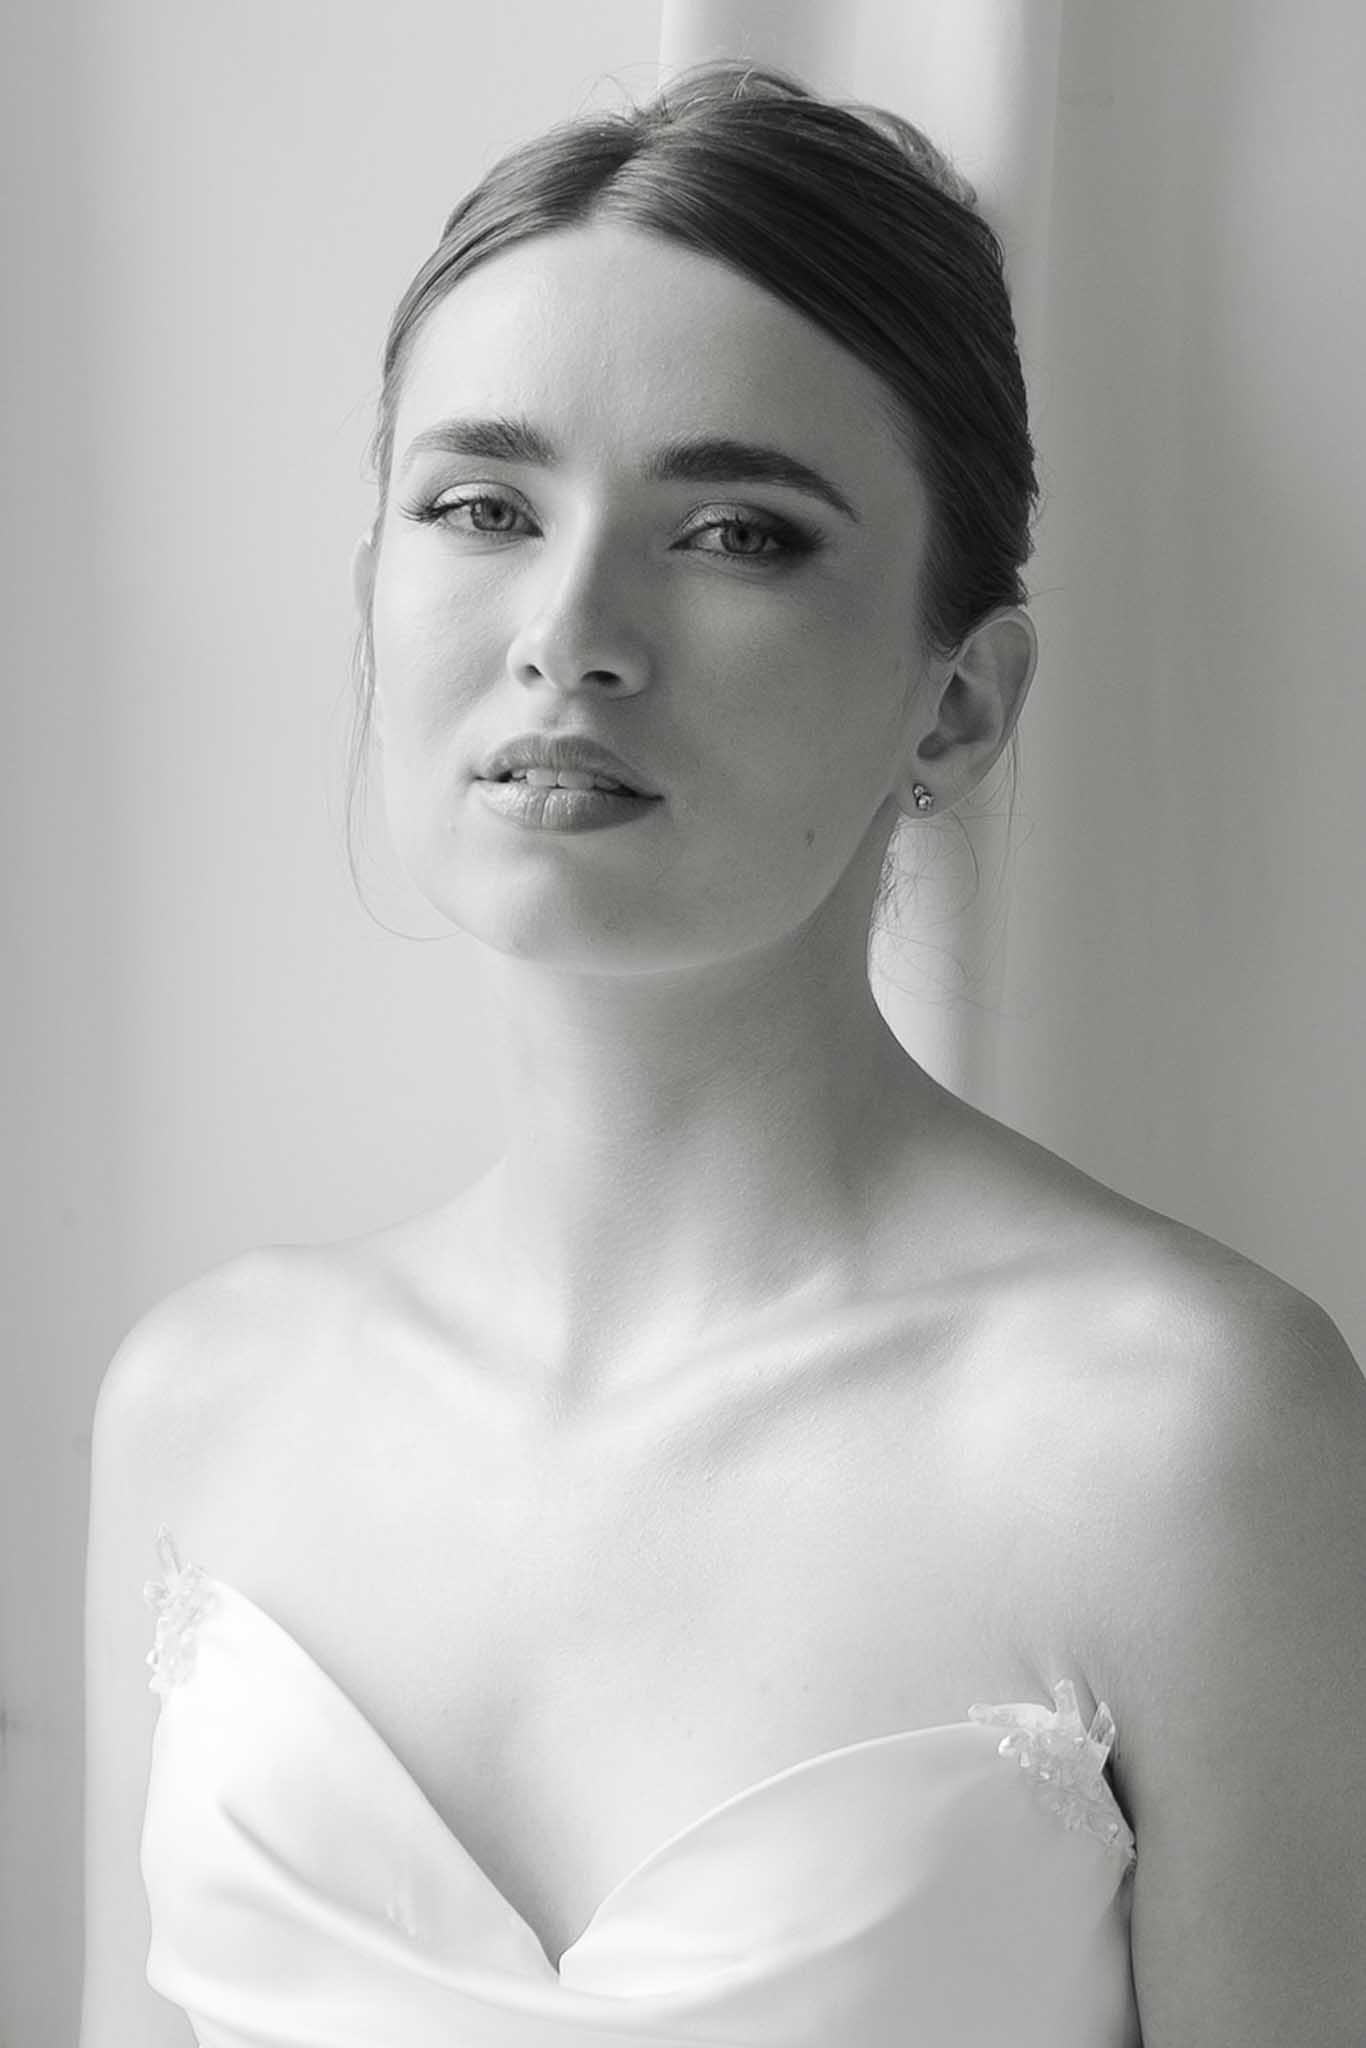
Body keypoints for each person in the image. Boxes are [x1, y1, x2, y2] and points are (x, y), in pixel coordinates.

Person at [81, 59, 1366, 2048]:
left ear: (957, 702)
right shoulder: (202, 1406)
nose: (569, 633)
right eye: (483, 506)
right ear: (375, 591)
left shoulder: (1177, 1431)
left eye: (738, 532)